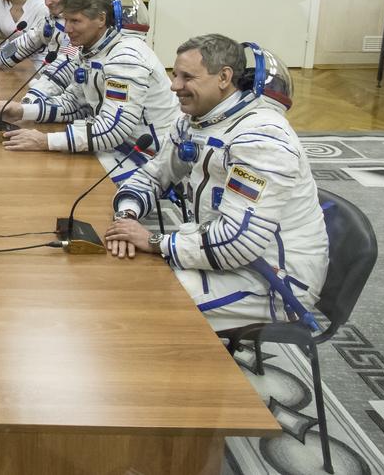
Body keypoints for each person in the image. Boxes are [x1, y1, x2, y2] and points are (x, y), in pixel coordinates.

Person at [104, 34, 329, 331]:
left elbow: (239, 242)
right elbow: (152, 175)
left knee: (146, 302)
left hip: (274, 280)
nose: (174, 86)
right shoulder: (196, 120)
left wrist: (154, 241)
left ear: (224, 77)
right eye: (175, 74)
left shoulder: (262, 139)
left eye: (187, 77)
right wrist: (127, 217)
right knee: (128, 281)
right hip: (228, 256)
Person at [0, 0, 180, 174]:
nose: (67, 29)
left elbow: (113, 129)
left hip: (149, 159)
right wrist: (23, 111)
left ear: (101, 19)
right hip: (120, 149)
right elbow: (74, 103)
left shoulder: (126, 57)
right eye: (66, 20)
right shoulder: (90, 51)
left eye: (75, 21)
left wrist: (45, 141)